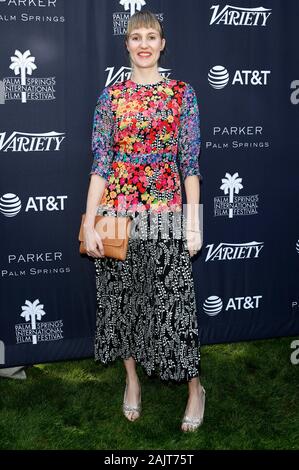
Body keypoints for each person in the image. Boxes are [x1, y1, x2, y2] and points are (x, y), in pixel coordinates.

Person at [83, 10, 205, 432]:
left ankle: (195, 387)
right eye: (136, 37)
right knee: (121, 303)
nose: (144, 44)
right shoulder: (110, 99)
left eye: (152, 36)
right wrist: (88, 223)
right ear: (127, 45)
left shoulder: (181, 94)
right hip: (117, 212)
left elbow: (190, 163)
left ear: (163, 43)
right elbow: (101, 164)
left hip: (166, 212)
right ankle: (132, 381)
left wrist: (194, 221)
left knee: (176, 306)